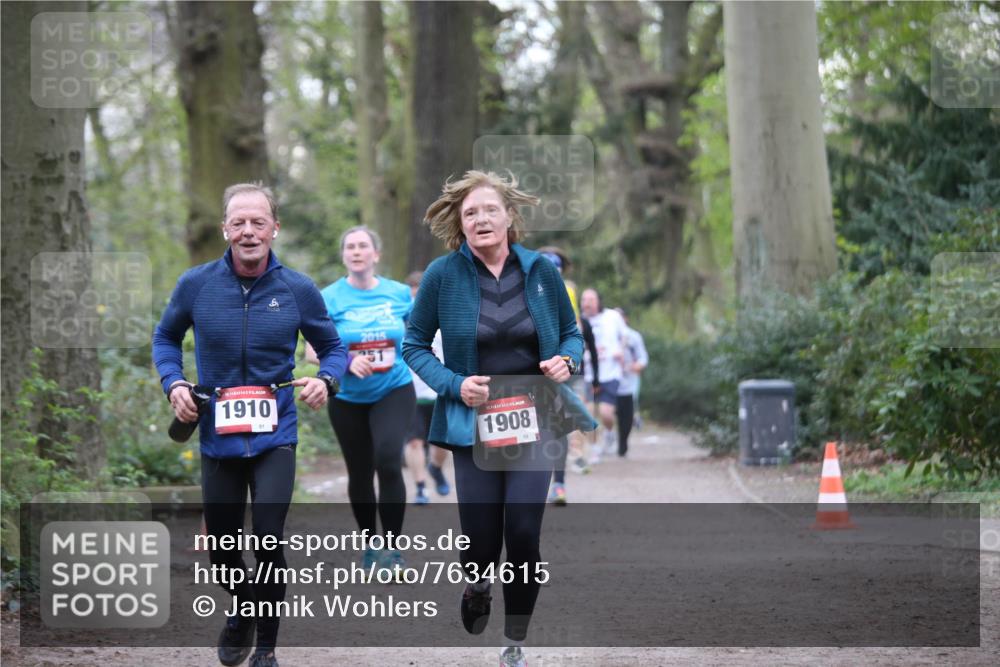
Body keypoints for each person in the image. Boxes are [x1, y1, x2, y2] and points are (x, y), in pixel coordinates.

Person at [403, 170, 596, 667]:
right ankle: (478, 583)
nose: (481, 219)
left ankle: (516, 640)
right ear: (460, 223)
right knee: (481, 539)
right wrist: (454, 384)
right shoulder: (443, 276)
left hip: (535, 414)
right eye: (470, 213)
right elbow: (414, 345)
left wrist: (566, 360)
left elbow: (572, 334)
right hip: (475, 419)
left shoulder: (541, 271)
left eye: (490, 209)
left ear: (509, 216)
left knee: (525, 533)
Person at [153, 183, 347, 667]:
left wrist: (326, 380)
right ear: (224, 229)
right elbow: (165, 337)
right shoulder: (196, 284)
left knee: (267, 538)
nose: (248, 231)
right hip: (218, 436)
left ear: (274, 228)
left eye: (258, 222)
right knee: (222, 553)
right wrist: (174, 384)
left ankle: (266, 649)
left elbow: (333, 348)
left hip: (274, 435)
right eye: (238, 222)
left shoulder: (297, 289)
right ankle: (243, 605)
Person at [306, 226, 415, 573]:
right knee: (360, 471)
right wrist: (347, 361)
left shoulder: (399, 294)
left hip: (394, 388)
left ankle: (393, 550)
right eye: (350, 247)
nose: (356, 251)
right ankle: (371, 545)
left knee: (388, 460)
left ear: (375, 254)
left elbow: (418, 336)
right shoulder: (328, 297)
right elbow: (311, 350)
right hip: (348, 396)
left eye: (363, 246)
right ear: (344, 256)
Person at [536, 247, 599, 504]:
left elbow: (573, 329)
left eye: (556, 267)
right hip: (530, 368)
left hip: (560, 367)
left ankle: (559, 484)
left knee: (557, 424)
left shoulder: (567, 290)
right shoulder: (520, 287)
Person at [403, 271, 451, 505]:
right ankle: (420, 487)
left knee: (441, 443)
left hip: (440, 392)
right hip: (409, 392)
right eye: (412, 292)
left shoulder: (445, 318)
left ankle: (436, 468)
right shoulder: (402, 322)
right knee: (413, 441)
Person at [580, 288, 628, 463]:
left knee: (606, 412)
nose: (587, 303)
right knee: (587, 413)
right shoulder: (579, 321)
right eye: (584, 299)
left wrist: (620, 351)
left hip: (610, 372)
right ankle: (594, 449)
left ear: (598, 301)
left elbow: (624, 336)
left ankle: (609, 432)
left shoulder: (612, 316)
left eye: (591, 299)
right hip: (588, 374)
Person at [613, 308, 648, 458]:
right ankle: (610, 437)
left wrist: (635, 366)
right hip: (609, 381)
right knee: (609, 411)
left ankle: (623, 443)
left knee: (626, 415)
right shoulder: (605, 336)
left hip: (629, 381)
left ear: (625, 319)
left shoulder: (633, 337)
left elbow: (643, 358)